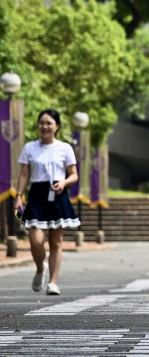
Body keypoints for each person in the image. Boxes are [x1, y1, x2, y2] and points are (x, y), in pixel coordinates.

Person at [14, 109, 81, 296]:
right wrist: (19, 196)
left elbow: (74, 175)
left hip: (58, 195)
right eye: (41, 123)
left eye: (49, 123)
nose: (44, 126)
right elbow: (24, 174)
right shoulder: (29, 148)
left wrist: (64, 183)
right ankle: (40, 268)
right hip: (37, 195)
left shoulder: (65, 148)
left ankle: (53, 282)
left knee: (56, 242)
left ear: (56, 126)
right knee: (35, 240)